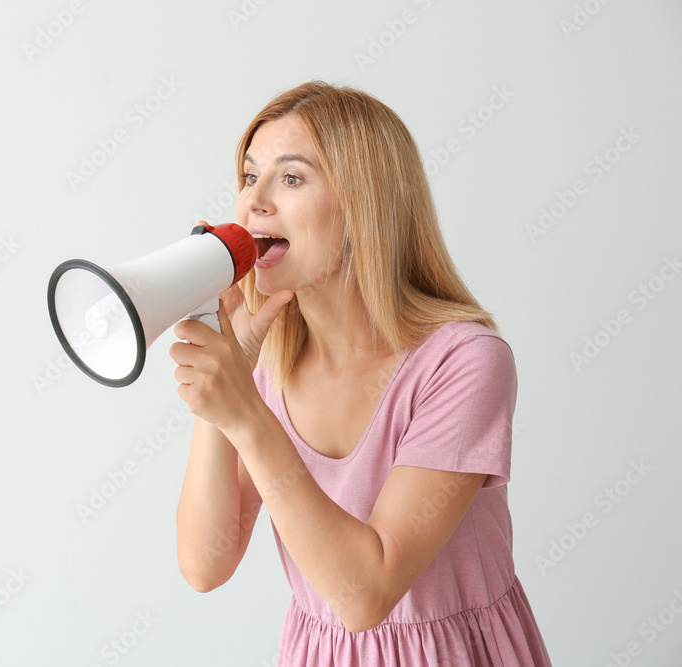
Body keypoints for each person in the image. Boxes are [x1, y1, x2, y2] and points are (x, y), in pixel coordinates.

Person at [169, 81, 552, 666]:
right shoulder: (272, 368)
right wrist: (226, 383)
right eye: (250, 177)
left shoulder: (464, 362)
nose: (253, 203)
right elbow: (204, 563)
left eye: (291, 178)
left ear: (363, 205)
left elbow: (365, 594)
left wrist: (244, 414)